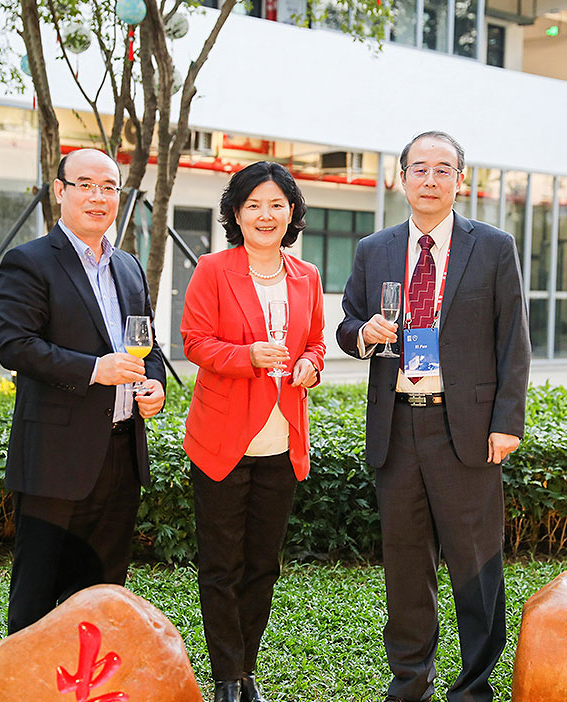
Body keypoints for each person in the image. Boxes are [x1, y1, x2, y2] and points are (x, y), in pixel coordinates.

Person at [336, 131, 530, 702]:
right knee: (404, 566)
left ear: (459, 181)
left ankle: (473, 687)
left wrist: (506, 421)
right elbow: (346, 324)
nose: (429, 179)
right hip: (396, 428)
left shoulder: (493, 247)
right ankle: (409, 685)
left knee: (476, 566)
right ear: (400, 178)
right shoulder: (374, 249)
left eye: (442, 169)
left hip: (466, 431)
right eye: (418, 168)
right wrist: (363, 334)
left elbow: (511, 343)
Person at [0, 148, 167, 634]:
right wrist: (94, 369)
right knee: (38, 596)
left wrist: (153, 386)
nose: (98, 197)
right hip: (54, 458)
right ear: (60, 191)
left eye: (108, 187)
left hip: (121, 455)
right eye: (85, 185)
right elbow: (15, 346)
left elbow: (144, 347)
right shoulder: (28, 263)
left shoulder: (129, 267)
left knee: (103, 594)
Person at [180, 161, 326, 702]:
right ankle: (225, 677)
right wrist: (248, 355)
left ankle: (247, 670)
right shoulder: (213, 270)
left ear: (292, 212)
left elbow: (314, 342)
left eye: (277, 204)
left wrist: (311, 365)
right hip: (221, 440)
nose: (266, 215)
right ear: (236, 214)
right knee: (222, 565)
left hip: (281, 442)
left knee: (263, 565)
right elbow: (195, 342)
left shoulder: (306, 276)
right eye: (253, 206)